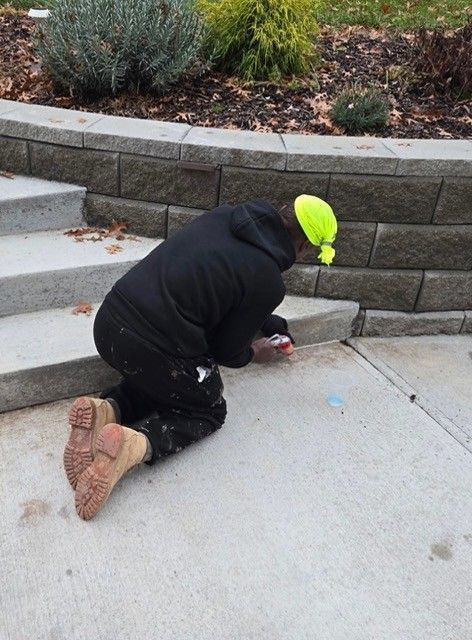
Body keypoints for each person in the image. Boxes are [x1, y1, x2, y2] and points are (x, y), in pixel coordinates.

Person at [64, 194, 338, 520]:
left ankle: (105, 409)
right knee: (207, 407)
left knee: (170, 378)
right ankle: (132, 446)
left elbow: (231, 286)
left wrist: (270, 323)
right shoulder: (267, 279)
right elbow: (226, 350)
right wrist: (255, 352)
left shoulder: (225, 216)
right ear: (305, 248)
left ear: (283, 211)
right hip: (149, 347)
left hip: (109, 325)